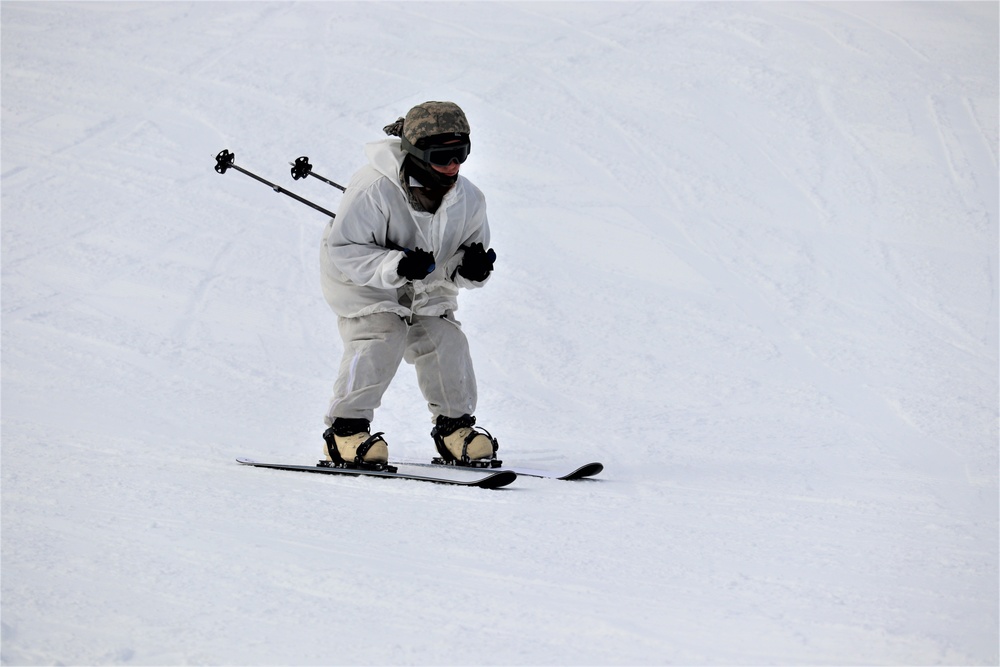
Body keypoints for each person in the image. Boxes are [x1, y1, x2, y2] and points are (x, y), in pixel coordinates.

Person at [319, 101, 498, 468]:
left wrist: (473, 270)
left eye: (461, 153)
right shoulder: (374, 189)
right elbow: (344, 249)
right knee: (383, 334)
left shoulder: (469, 199)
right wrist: (396, 264)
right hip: (365, 281)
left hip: (428, 284)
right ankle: (345, 431)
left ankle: (454, 429)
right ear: (415, 152)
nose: (453, 165)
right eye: (442, 155)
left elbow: (458, 265)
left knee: (446, 339)